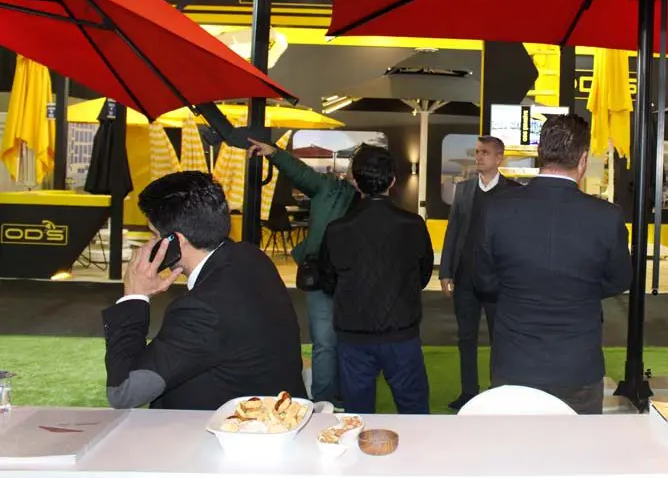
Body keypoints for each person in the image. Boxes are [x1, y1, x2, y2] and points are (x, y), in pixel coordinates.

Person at [103, 171, 306, 410]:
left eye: (153, 235)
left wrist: (134, 297)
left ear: (176, 241)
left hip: (225, 428)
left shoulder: (202, 309)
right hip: (273, 413)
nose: (148, 245)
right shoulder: (250, 257)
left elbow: (123, 391)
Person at [475, 114, 633, 415]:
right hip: (577, 366)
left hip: (515, 362)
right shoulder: (606, 216)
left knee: (513, 444)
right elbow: (619, 279)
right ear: (583, 159)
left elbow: (484, 280)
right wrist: (581, 289)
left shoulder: (498, 209)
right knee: (577, 445)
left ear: (540, 154)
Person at [318, 144, 434, 414]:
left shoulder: (337, 229)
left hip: (353, 335)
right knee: (415, 413)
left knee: (357, 416)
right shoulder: (413, 225)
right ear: (392, 181)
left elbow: (328, 280)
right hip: (401, 332)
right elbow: (423, 274)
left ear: (356, 182)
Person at [247, 138, 356, 407]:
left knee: (352, 341)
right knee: (325, 341)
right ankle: (323, 400)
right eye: (354, 163)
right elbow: (301, 173)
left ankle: (349, 395)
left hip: (356, 280)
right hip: (321, 275)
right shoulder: (329, 188)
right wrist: (274, 153)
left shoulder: (374, 203)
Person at [439, 136, 522, 410]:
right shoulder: (463, 190)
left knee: (501, 338)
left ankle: (498, 390)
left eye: (484, 152)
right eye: (477, 152)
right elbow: (453, 232)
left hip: (499, 281)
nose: (478, 157)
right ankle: (468, 392)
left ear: (499, 158)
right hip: (465, 279)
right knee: (466, 338)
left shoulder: (514, 192)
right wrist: (445, 272)